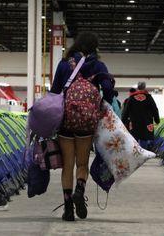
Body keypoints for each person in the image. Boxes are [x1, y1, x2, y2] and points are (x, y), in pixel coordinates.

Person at [50, 32, 114, 221]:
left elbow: (54, 91)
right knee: (82, 163)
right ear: (95, 48)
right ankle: (80, 190)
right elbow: (108, 88)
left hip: (66, 121)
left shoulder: (64, 64)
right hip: (86, 122)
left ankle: (68, 207)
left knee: (67, 165)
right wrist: (103, 103)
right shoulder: (98, 65)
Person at [122, 81, 160, 151]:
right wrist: (157, 120)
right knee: (144, 139)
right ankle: (143, 153)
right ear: (145, 87)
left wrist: (123, 121)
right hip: (146, 123)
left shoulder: (132, 98)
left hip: (134, 123)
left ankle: (135, 155)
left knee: (134, 139)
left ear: (137, 88)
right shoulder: (149, 98)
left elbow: (126, 110)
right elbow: (155, 109)